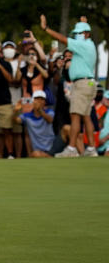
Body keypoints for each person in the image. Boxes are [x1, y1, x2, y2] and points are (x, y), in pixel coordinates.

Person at [41, 15, 98, 157]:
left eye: (79, 33)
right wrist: (84, 24)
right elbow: (82, 33)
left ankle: (71, 149)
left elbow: (62, 39)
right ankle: (91, 149)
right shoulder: (88, 44)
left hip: (82, 84)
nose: (76, 36)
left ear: (86, 34)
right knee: (86, 117)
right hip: (88, 83)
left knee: (75, 116)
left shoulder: (83, 44)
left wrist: (46, 29)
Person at [15, 90, 60, 157]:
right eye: (37, 99)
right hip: (38, 151)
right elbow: (16, 121)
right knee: (36, 154)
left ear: (44, 102)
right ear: (33, 101)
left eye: (42, 99)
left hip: (52, 148)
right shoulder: (27, 115)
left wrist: (40, 110)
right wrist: (15, 111)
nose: (39, 101)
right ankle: (52, 158)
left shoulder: (49, 112)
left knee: (67, 128)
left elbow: (50, 120)